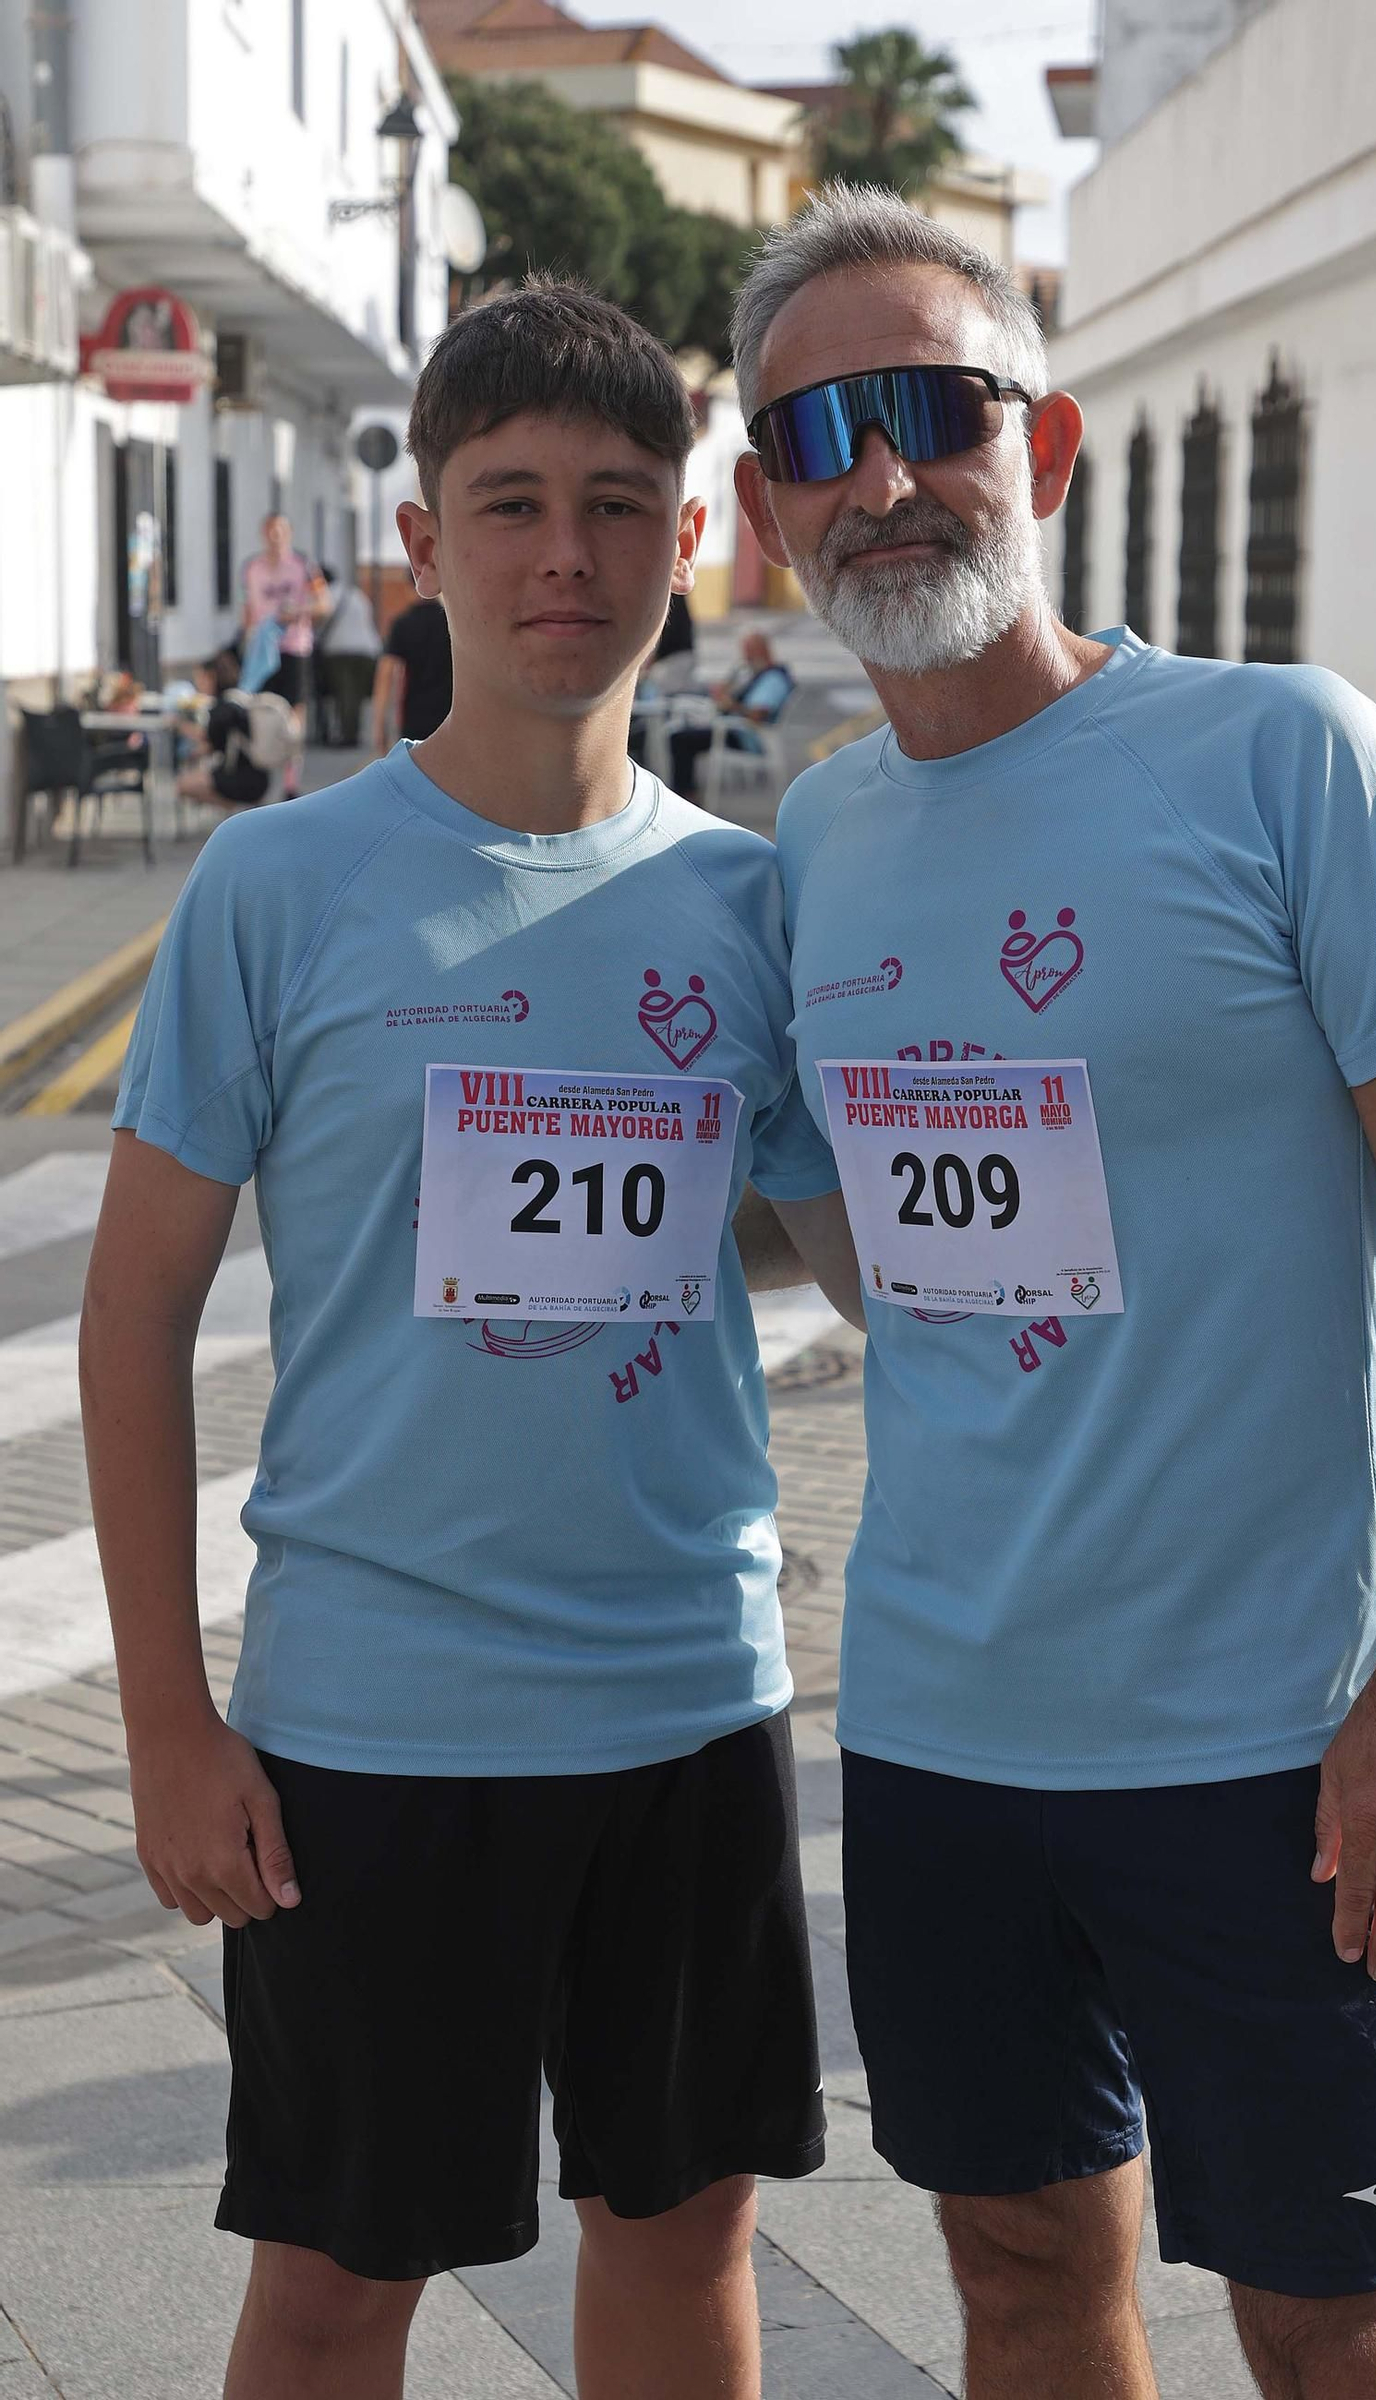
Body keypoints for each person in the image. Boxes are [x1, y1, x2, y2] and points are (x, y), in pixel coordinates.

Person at [729, 186, 1376, 2400]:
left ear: (1049, 443)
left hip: (1274, 1736)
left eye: (930, 408)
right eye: (818, 434)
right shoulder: (813, 842)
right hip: (932, 1731)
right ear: (761, 506)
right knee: (1009, 2272)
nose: (879, 474)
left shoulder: (1282, 755)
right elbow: (870, 1230)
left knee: (1331, 2316)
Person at [81, 278, 855, 2400]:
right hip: (374, 1724)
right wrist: (168, 1719)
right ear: (415, 544)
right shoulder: (279, 886)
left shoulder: (752, 903)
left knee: (688, 2239)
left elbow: (863, 1259)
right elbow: (137, 1307)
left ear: (685, 545)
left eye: (619, 506)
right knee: (339, 2282)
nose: (564, 557)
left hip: (687, 1701)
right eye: (506, 504)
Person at [241, 515, 325, 788]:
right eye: (270, 532)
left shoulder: (304, 565)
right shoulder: (252, 568)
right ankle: (259, 776)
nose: (275, 537)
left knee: (293, 714)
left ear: (288, 534)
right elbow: (248, 610)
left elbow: (325, 604)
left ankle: (291, 781)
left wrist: (300, 611)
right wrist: (248, 640)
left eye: (280, 532)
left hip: (294, 647)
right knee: (259, 711)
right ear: (263, 534)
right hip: (262, 651)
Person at [668, 627, 793, 794]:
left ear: (762, 651)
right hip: (737, 729)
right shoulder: (757, 674)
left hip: (747, 736)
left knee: (681, 739)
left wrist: (729, 704)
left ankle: (685, 792)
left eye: (749, 652)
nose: (746, 658)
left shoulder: (773, 679)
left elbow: (757, 714)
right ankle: (686, 789)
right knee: (683, 732)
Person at [174, 651, 271, 813]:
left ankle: (236, 811)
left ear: (211, 677)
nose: (198, 684)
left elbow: (210, 742)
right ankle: (238, 812)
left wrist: (180, 726)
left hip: (239, 778)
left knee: (183, 785)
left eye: (200, 677)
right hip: (262, 776)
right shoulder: (241, 699)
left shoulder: (221, 710)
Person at [371, 588, 452, 750]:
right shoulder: (454, 624)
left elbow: (385, 673)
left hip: (414, 717)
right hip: (451, 716)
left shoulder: (403, 623)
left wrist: (379, 724)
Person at [314, 563, 382, 747]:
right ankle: (353, 732)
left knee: (344, 694)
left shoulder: (326, 595)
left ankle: (347, 736)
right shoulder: (356, 594)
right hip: (367, 650)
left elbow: (319, 620)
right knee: (357, 696)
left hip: (340, 651)